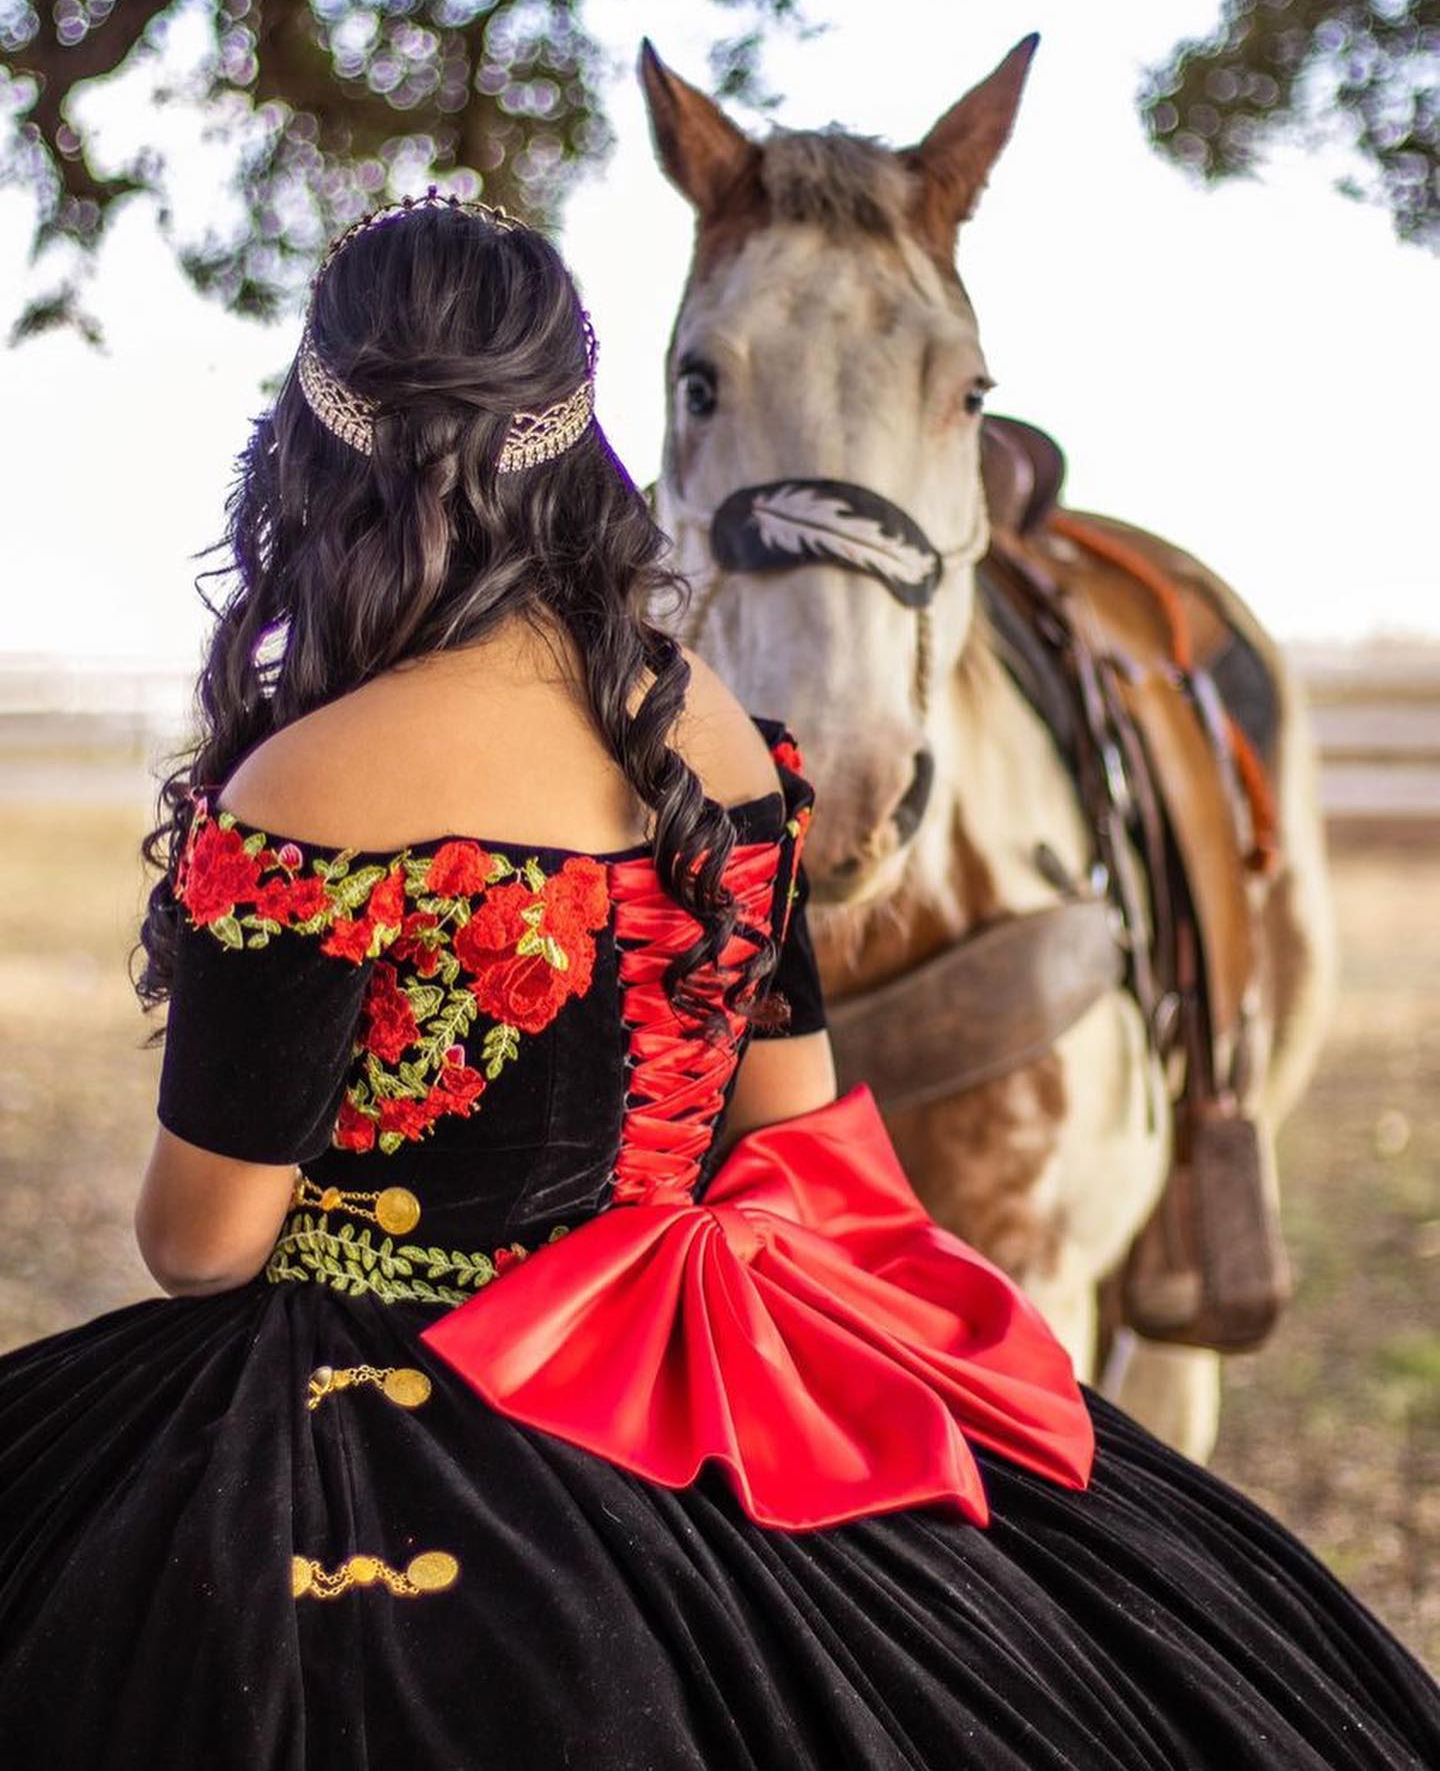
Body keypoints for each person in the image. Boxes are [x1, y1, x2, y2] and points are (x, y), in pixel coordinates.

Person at [0, 191, 1434, 1771]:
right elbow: (790, 1123)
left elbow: (200, 1245)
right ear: (579, 439)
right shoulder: (718, 741)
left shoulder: (305, 785)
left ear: (317, 449)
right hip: (685, 1394)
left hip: (370, 1412)